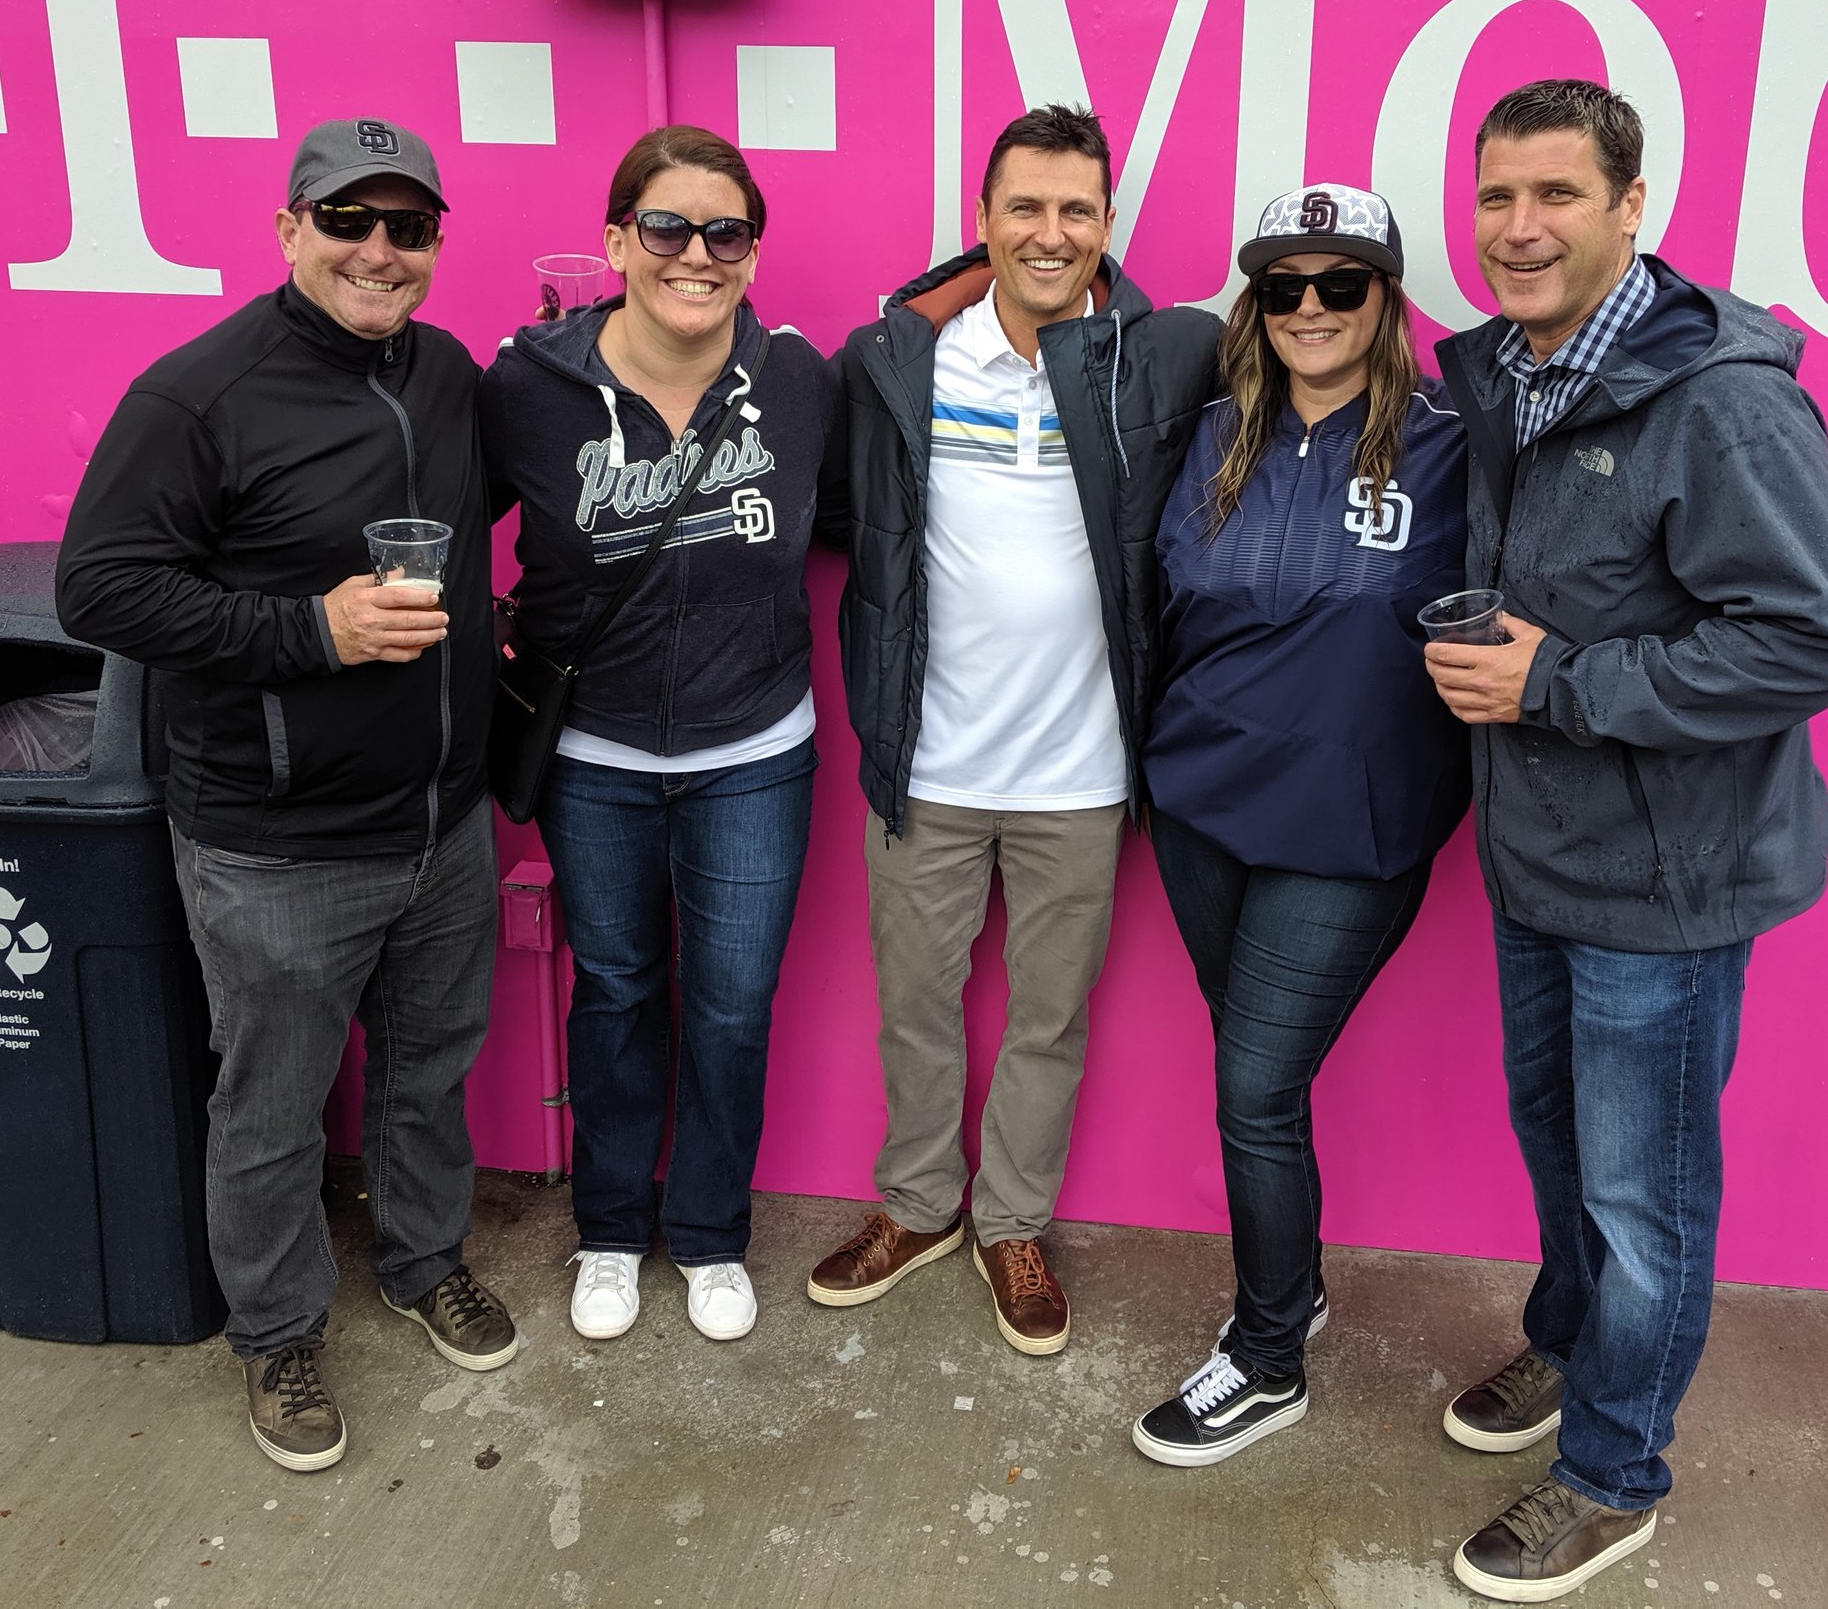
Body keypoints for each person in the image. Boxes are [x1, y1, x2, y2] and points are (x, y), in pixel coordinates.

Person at [1421, 79, 1828, 1602]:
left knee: (1643, 1189)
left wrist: (1559, 679)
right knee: (1558, 1142)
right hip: (1540, 850)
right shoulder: (1506, 368)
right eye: (1497, 197)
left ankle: (1614, 1471)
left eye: (1557, 194)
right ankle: (1571, 1343)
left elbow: (1816, 638)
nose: (1521, 226)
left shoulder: (1725, 396)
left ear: (1633, 209)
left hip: (1667, 881)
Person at [58, 118, 514, 1475]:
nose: (378, 250)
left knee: (429, 1077)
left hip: (445, 819)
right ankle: (276, 1331)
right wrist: (311, 630)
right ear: (288, 228)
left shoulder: (443, 372)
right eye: (346, 220)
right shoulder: (199, 394)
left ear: (435, 244)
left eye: (407, 227)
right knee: (269, 1107)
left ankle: (424, 1259)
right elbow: (104, 588)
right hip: (277, 843)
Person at [806, 104, 1218, 1355]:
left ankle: (1012, 1224)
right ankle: (920, 1207)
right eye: (1025, 208)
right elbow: (841, 524)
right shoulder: (897, 363)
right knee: (914, 1003)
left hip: (1081, 775)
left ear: (1107, 226)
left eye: (1076, 211)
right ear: (981, 222)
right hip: (923, 762)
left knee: (1049, 1017)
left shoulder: (1163, 360)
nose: (1050, 233)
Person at [482, 126, 845, 1346]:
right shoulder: (527, 388)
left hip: (754, 749)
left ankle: (707, 1232)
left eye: (725, 232)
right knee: (620, 989)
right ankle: (610, 1229)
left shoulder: (797, 384)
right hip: (595, 757)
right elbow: (414, 508)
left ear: (752, 251)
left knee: (734, 1005)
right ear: (616, 241)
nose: (696, 253)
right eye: (667, 228)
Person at [1125, 186, 1470, 1466]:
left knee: (1256, 1085)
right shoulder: (1210, 429)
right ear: (1254, 304)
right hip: (1201, 805)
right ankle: (1296, 1286)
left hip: (1356, 823)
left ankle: (1269, 1360)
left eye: (1341, 284)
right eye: (1283, 286)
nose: (1312, 309)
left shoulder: (1455, 435)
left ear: (1385, 298)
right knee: (1255, 1078)